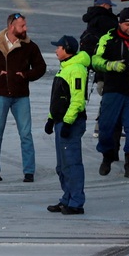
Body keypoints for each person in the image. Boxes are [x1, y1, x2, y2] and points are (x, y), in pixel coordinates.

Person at [0, 11, 46, 183]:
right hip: (0, 95)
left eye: (25, 25)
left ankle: (29, 171)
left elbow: (41, 67)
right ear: (11, 27)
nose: (25, 28)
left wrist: (26, 75)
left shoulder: (30, 46)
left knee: (26, 134)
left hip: (21, 96)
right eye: (22, 26)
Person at [44, 35, 94, 215]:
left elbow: (78, 100)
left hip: (70, 124)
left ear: (66, 49)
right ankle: (67, 198)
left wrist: (67, 122)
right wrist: (51, 119)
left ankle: (76, 202)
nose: (56, 50)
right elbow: (58, 99)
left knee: (72, 164)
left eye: (58, 47)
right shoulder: (65, 68)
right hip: (61, 122)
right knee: (62, 165)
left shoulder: (77, 69)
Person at [91, 8, 129, 178]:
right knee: (106, 126)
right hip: (113, 89)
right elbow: (96, 60)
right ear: (120, 23)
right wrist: (111, 65)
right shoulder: (108, 39)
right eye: (127, 24)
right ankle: (107, 155)